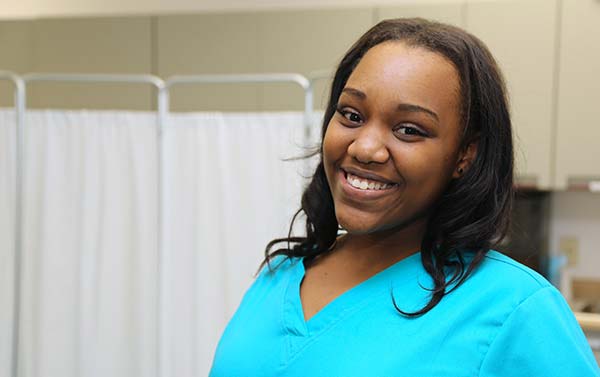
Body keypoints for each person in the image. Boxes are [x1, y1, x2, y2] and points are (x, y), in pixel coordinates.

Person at [209, 18, 600, 376]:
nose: (365, 148)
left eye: (409, 129)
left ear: (465, 154)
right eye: (352, 115)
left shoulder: (515, 310)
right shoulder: (278, 276)